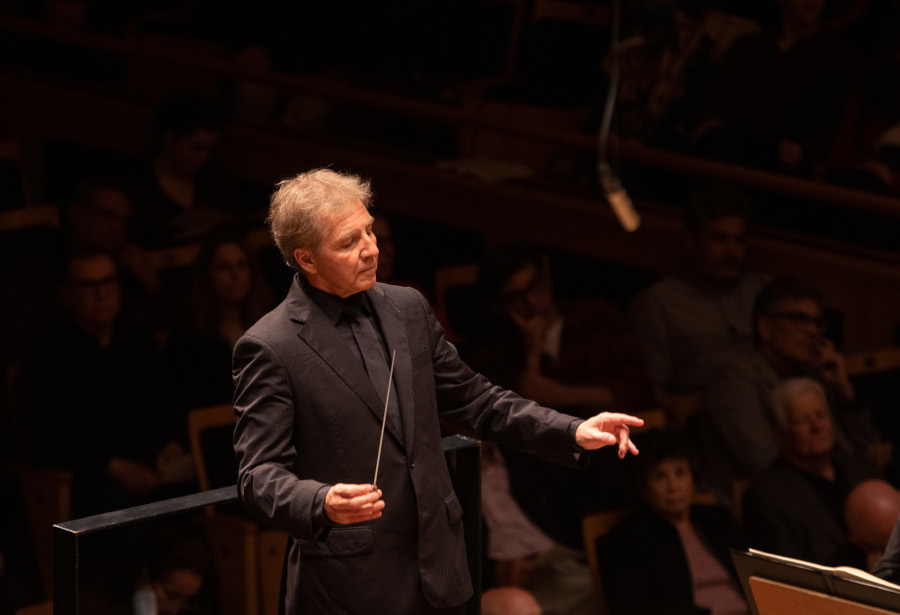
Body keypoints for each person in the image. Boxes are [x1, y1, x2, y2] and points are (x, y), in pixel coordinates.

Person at [231, 168, 645, 615]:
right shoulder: (271, 346)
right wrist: (321, 501)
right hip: (350, 583)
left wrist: (571, 430)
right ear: (306, 259)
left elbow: (476, 399)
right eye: (349, 243)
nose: (370, 249)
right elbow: (259, 477)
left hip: (440, 568)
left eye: (369, 230)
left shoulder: (406, 308)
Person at [17, 248, 192, 517]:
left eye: (108, 282)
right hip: (95, 480)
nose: (101, 294)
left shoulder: (138, 339)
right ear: (66, 294)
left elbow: (173, 404)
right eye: (88, 285)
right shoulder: (45, 355)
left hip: (157, 466)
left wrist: (172, 445)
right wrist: (114, 467)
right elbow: (44, 442)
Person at [700, 275, 878, 507]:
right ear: (765, 327)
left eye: (816, 322)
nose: (812, 331)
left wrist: (843, 392)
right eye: (799, 320)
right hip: (767, 506)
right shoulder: (733, 380)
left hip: (827, 492)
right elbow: (762, 462)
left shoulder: (811, 374)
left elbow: (865, 454)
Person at [628, 183, 769, 412]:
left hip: (774, 406)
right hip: (703, 417)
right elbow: (648, 392)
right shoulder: (659, 302)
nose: (732, 252)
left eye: (739, 241)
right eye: (719, 239)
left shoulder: (761, 290)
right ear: (691, 241)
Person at [597, 428, 748, 615]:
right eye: (660, 477)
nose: (673, 486)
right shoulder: (627, 540)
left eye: (680, 473)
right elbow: (635, 608)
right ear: (644, 488)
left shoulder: (719, 520)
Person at [741, 378, 885, 567]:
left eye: (821, 415)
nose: (817, 427)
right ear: (780, 432)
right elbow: (790, 574)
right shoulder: (766, 498)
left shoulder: (859, 469)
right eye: (803, 420)